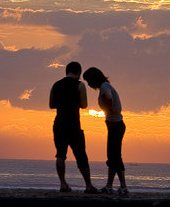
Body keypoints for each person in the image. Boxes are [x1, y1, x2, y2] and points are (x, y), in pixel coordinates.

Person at [49, 61, 98, 194]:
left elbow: (51, 104)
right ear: (79, 72)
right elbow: (84, 105)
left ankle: (63, 184)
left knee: (60, 155)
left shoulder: (56, 85)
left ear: (66, 71)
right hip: (74, 124)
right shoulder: (80, 85)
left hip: (59, 124)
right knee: (81, 155)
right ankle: (88, 185)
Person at [83, 67, 128, 195]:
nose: (88, 84)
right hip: (114, 124)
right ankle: (109, 186)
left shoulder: (104, 86)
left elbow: (108, 97)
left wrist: (109, 109)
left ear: (93, 78)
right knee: (113, 157)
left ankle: (123, 186)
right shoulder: (105, 86)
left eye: (88, 81)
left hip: (115, 125)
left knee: (115, 156)